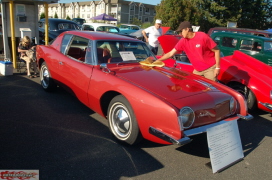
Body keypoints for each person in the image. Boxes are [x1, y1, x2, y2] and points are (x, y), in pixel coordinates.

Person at [156, 21, 220, 81]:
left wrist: (217, 68)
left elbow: (217, 51)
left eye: (181, 31)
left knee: (211, 90)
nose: (180, 33)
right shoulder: (183, 41)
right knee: (196, 88)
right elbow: (170, 54)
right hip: (197, 70)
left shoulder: (202, 36)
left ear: (187, 29)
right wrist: (157, 61)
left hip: (210, 69)